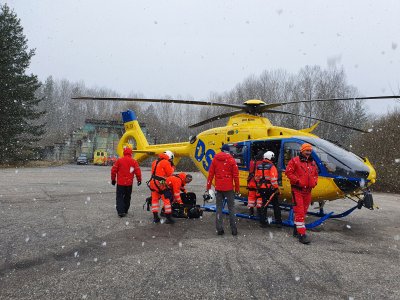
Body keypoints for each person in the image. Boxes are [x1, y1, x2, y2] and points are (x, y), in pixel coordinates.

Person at [285, 143, 318, 244]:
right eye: (306, 150)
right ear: (302, 151)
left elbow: (316, 174)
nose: (308, 152)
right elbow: (288, 172)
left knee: (303, 212)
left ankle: (296, 230)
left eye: (309, 151)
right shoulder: (295, 161)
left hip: (308, 191)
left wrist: (314, 182)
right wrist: (298, 181)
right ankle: (302, 235)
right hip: (297, 190)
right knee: (299, 212)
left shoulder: (312, 162)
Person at [206, 145, 240, 236]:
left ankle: (219, 229)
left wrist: (208, 187)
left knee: (219, 209)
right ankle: (234, 230)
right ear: (228, 151)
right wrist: (237, 188)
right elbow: (236, 176)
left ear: (221, 150)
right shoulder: (232, 160)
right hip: (229, 188)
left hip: (219, 188)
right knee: (231, 209)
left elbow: (210, 175)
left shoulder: (215, 159)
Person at [111, 146, 142, 217]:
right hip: (129, 183)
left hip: (120, 183)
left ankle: (120, 211)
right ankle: (125, 210)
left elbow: (113, 170)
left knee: (120, 197)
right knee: (127, 197)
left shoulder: (119, 160)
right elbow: (138, 171)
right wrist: (139, 180)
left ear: (124, 152)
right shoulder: (134, 161)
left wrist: (113, 179)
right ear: (131, 153)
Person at [254, 151, 282, 228]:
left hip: (262, 189)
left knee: (264, 205)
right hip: (271, 189)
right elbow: (273, 180)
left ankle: (263, 222)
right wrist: (276, 188)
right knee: (276, 205)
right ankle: (278, 222)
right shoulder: (272, 167)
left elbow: (256, 178)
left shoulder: (259, 166)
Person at [148, 150, 175, 224]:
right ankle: (168, 217)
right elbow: (170, 173)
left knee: (155, 200)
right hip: (161, 183)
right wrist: (172, 167)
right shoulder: (166, 162)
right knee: (167, 199)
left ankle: (155, 217)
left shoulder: (155, 161)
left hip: (153, 182)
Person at [247, 150, 265, 216]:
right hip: (258, 184)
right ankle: (259, 213)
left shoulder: (252, 162)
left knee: (251, 198)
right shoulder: (262, 163)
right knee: (259, 199)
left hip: (251, 182)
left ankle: (251, 212)